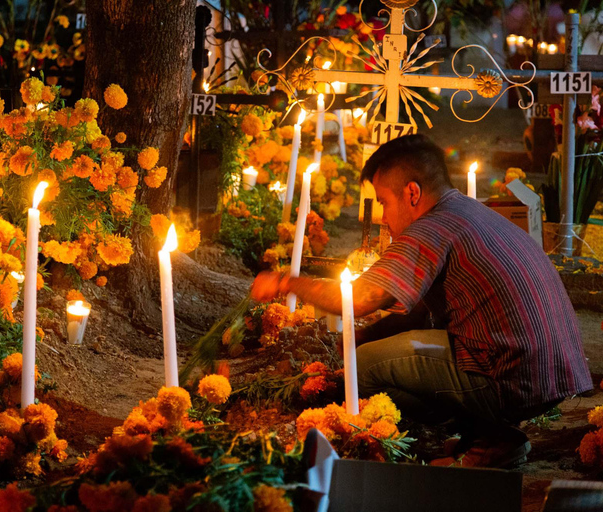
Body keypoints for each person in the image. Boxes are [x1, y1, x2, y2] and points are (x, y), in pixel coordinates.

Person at [252, 134, 592, 467]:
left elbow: (359, 299)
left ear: (412, 193)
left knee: (367, 364)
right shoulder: (469, 211)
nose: (383, 217)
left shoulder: (431, 226)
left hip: (511, 378)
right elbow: (420, 315)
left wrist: (286, 281)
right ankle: (489, 435)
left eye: (384, 202)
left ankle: (489, 442)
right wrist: (366, 334)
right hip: (554, 372)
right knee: (376, 348)